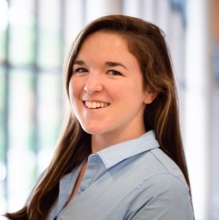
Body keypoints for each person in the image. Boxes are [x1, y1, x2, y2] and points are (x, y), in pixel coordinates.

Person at [5, 15, 194, 220]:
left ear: (151, 90)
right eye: (82, 69)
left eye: (113, 72)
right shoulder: (60, 171)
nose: (90, 86)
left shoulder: (161, 188)